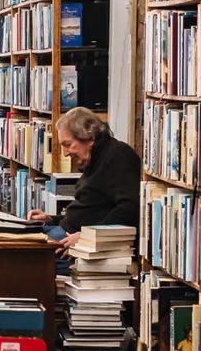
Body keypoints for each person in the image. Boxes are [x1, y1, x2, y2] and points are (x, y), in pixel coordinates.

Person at [26, 107, 141, 250]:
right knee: (14, 239)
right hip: (68, 233)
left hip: (84, 245)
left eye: (67, 145)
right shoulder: (95, 159)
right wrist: (51, 219)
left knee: (23, 256)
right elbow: (89, 213)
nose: (65, 153)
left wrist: (87, 238)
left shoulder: (118, 156)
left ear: (90, 138)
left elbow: (130, 210)